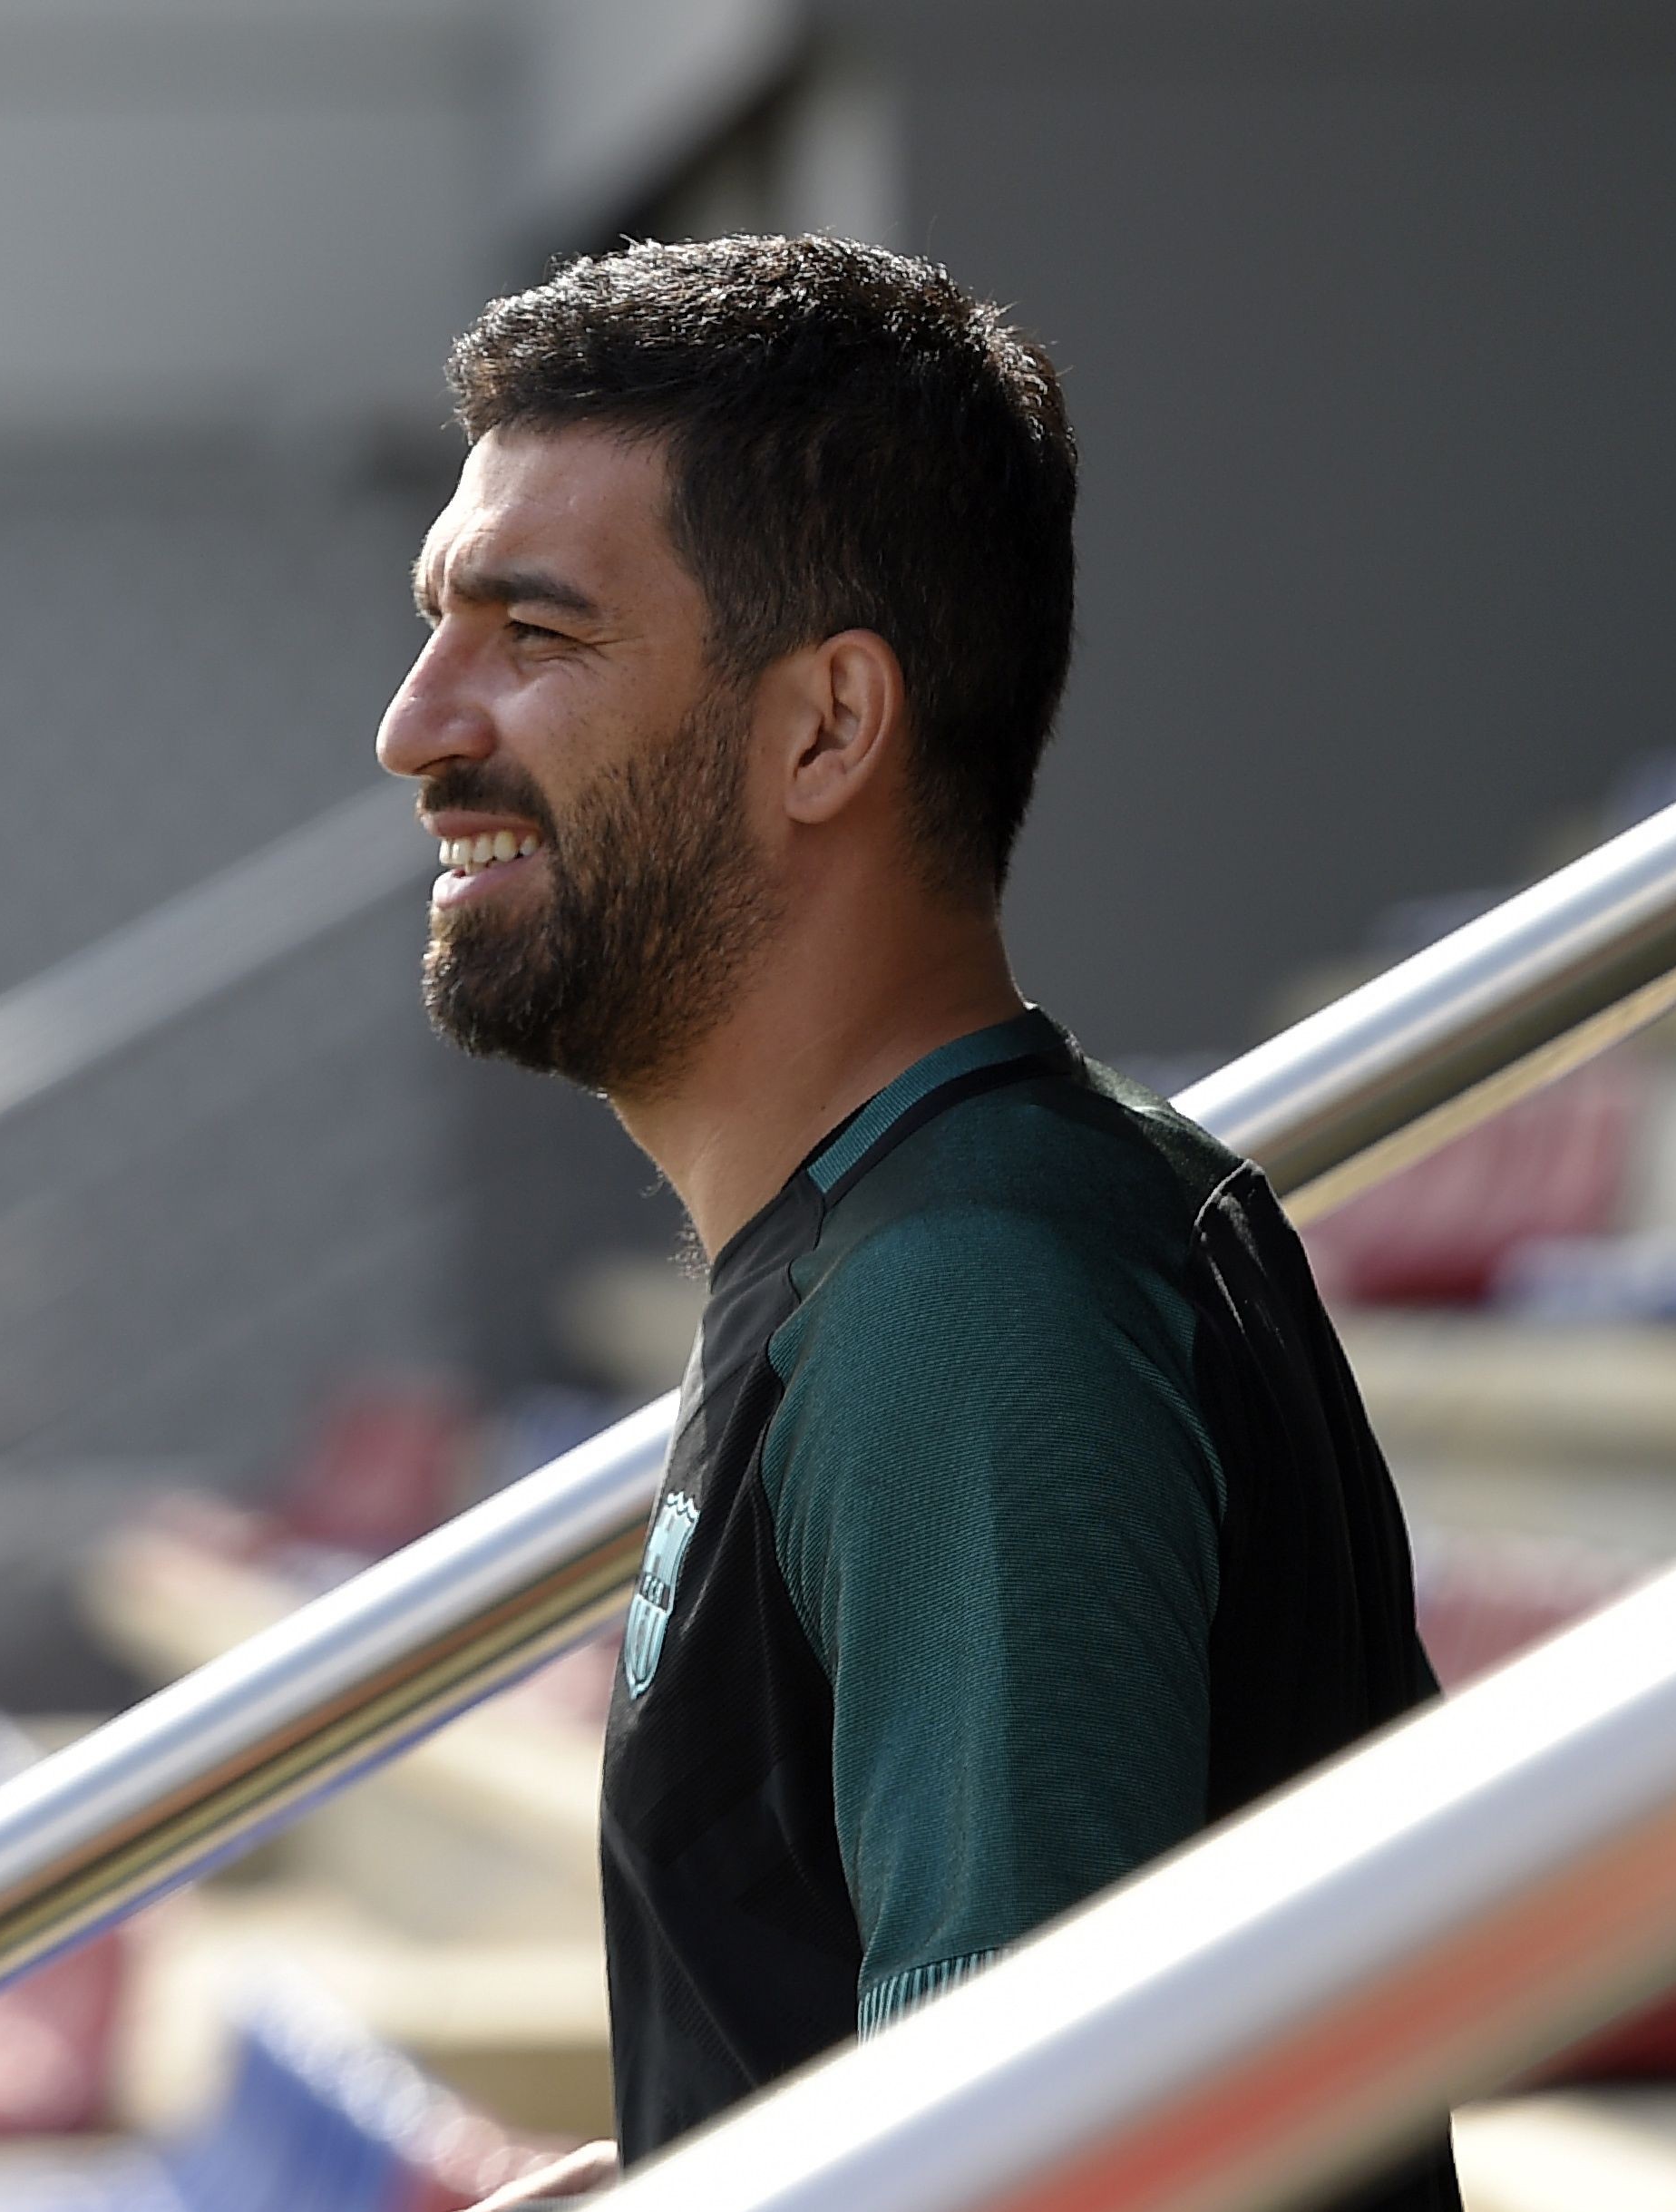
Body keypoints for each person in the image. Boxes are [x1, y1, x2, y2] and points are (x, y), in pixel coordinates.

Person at [380, 235, 1457, 2210]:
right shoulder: (933, 1228)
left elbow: (1025, 2168)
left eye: (529, 633)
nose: (417, 722)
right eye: (434, 622)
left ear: (825, 729)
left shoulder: (971, 1301)